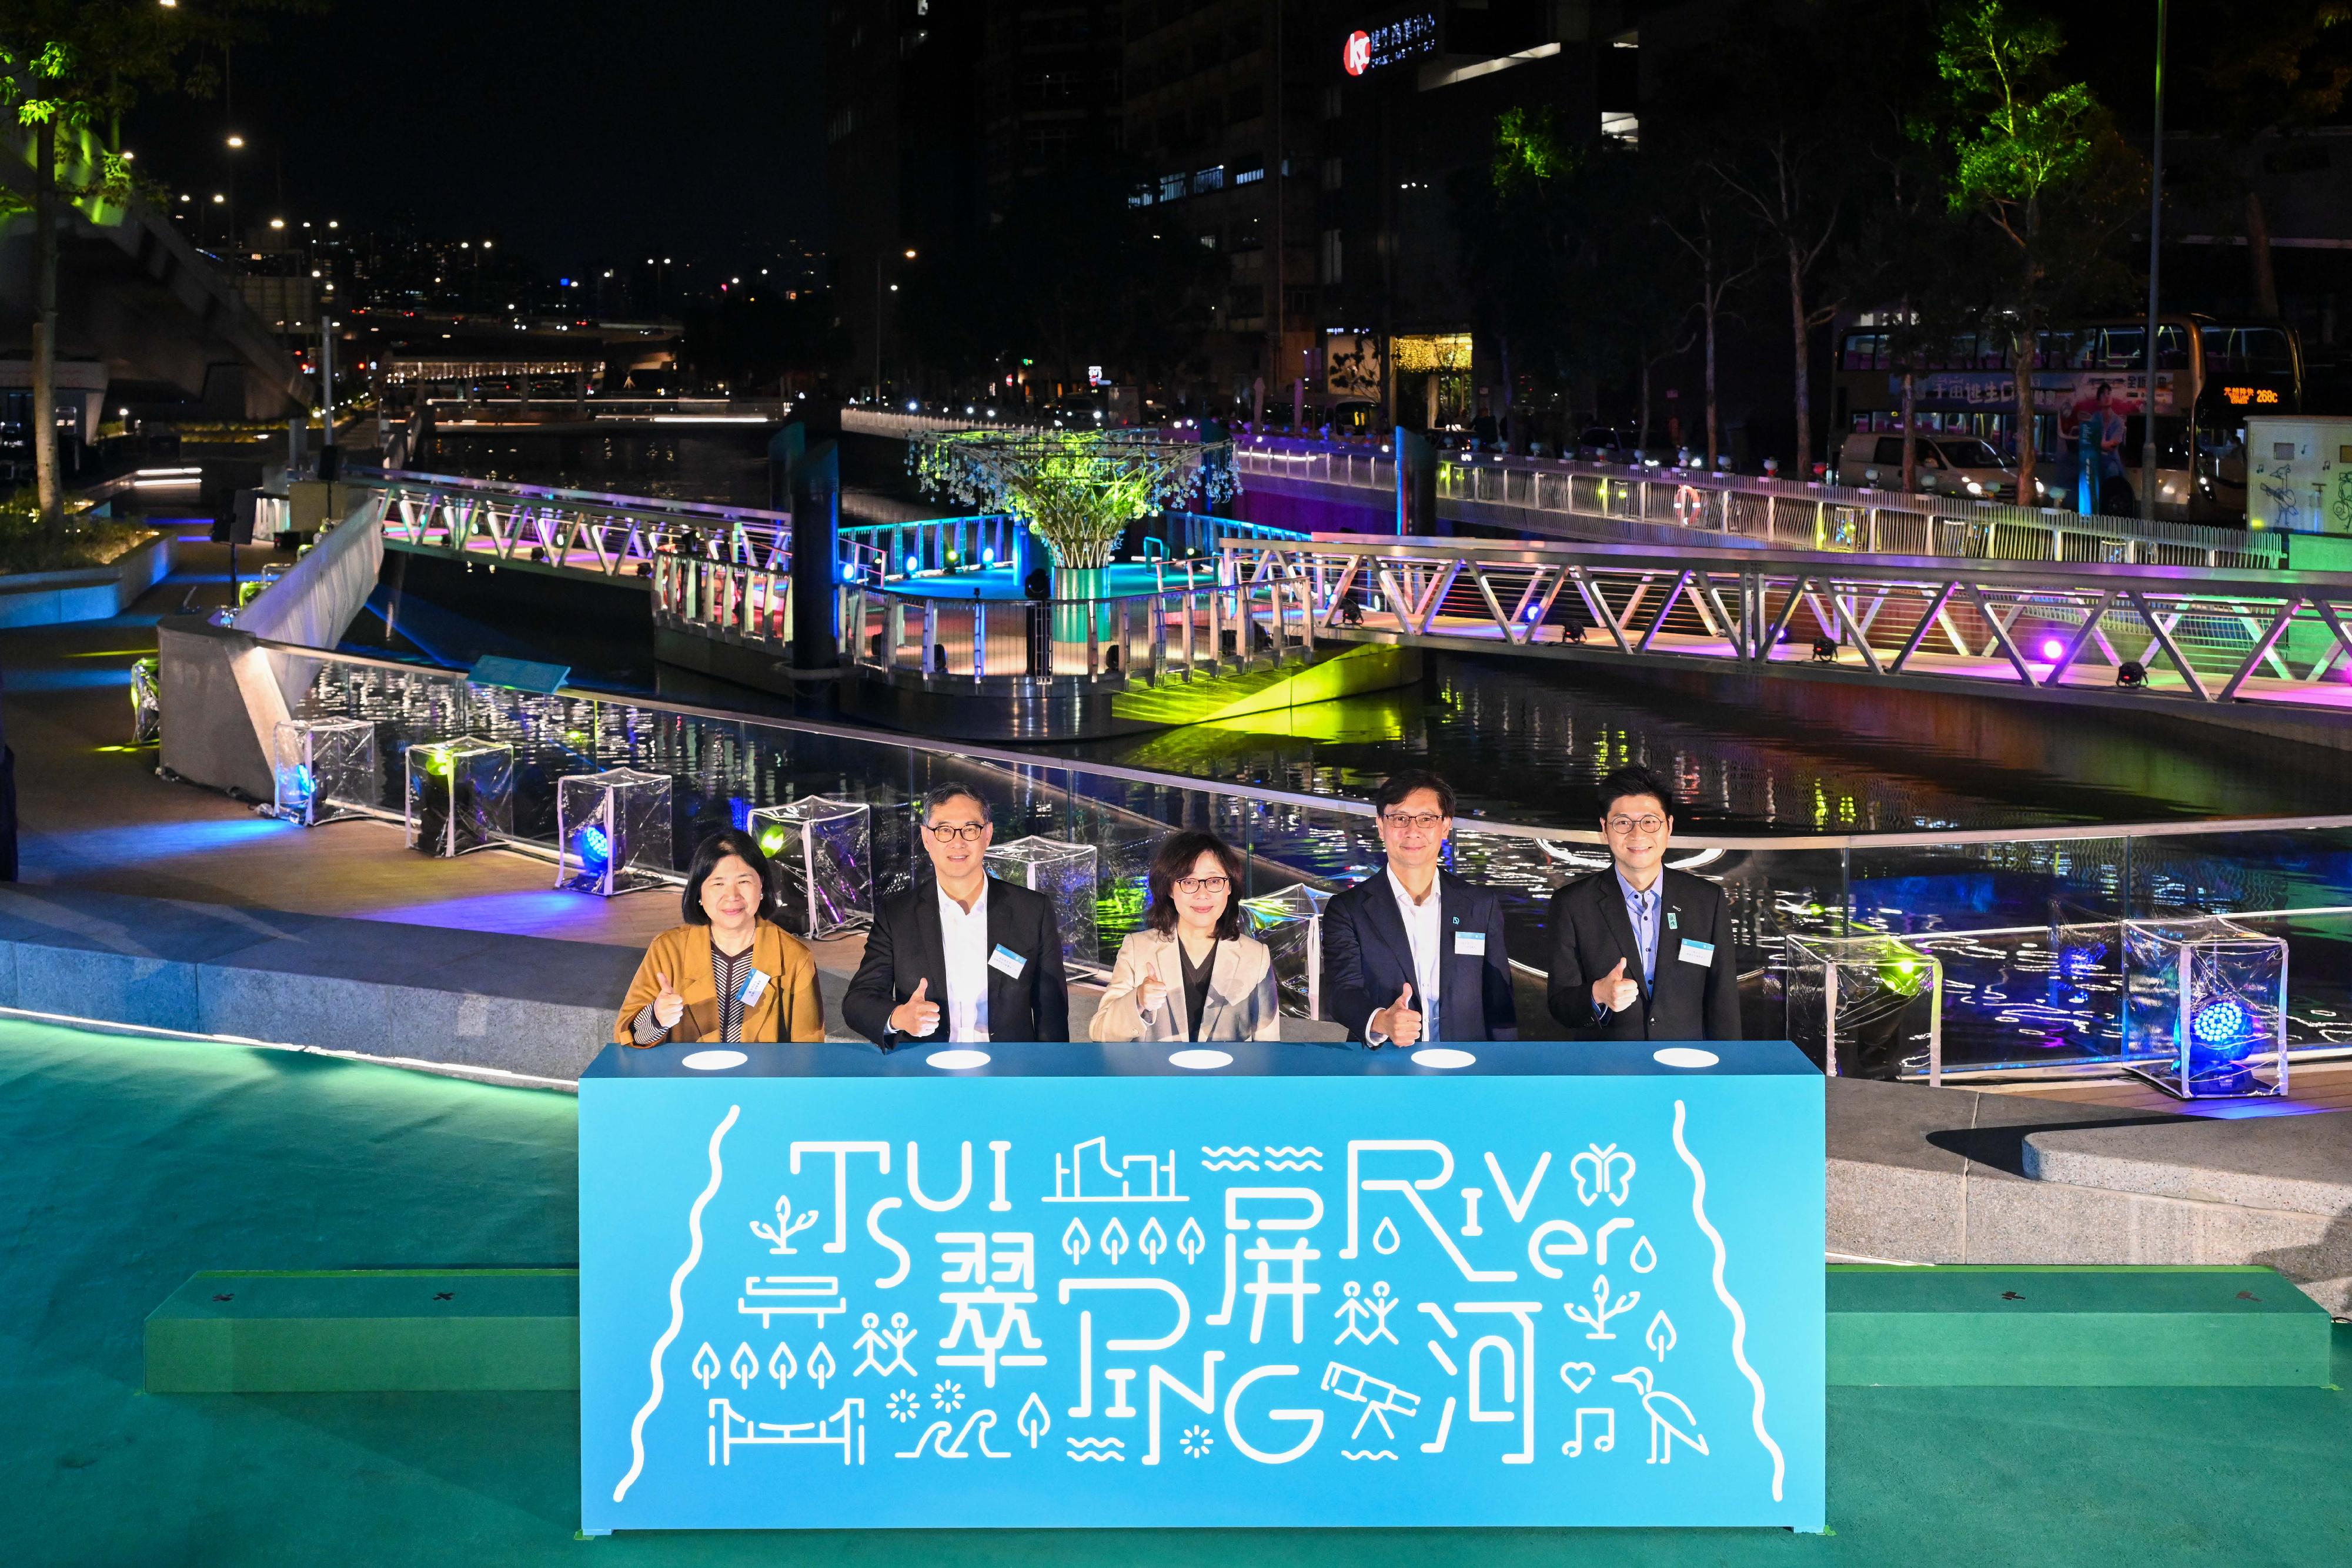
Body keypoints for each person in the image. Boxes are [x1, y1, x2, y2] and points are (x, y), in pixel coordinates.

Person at [843, 783, 1070, 1047]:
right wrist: (899, 1017)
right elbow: (857, 1001)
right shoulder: (897, 916)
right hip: (927, 1069)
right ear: (927, 838)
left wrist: (1049, 1077)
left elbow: (1051, 1012)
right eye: (944, 830)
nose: (958, 842)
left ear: (988, 835)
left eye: (970, 829)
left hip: (1008, 1070)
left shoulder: (1032, 911)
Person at [1545, 764, 1740, 1041]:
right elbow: (1560, 1005)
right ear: (1605, 829)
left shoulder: (1707, 901)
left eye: (1649, 821)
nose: (1637, 835)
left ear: (1669, 826)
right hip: (1608, 1071)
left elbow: (1724, 1003)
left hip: (1686, 1070)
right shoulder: (1573, 904)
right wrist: (1598, 994)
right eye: (1623, 823)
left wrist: (1728, 1073)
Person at [1322, 770, 1517, 1047]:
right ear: (1380, 825)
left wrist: (1504, 1069)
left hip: (1466, 1065)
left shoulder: (1480, 905)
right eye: (1399, 818)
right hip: (1385, 1064)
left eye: (1426, 819)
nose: (1413, 831)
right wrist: (1381, 1021)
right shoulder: (1348, 910)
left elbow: (1499, 1001)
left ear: (1446, 826)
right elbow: (1342, 993)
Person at [616, 828, 825, 1046]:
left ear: (761, 885)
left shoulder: (795, 958)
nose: (732, 896)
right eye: (718, 884)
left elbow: (808, 1052)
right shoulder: (667, 950)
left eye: (743, 881)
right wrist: (657, 1019)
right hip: (688, 1079)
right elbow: (628, 1039)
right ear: (699, 893)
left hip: (760, 1081)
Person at [1092, 830, 1282, 1043]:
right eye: (1189, 882)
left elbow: (1268, 1045)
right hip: (1157, 1075)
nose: (1203, 894)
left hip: (1228, 1076)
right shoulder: (1138, 948)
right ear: (1170, 889)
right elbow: (1100, 1033)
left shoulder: (1256, 956)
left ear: (1229, 886)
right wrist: (1138, 1000)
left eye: (1214, 881)